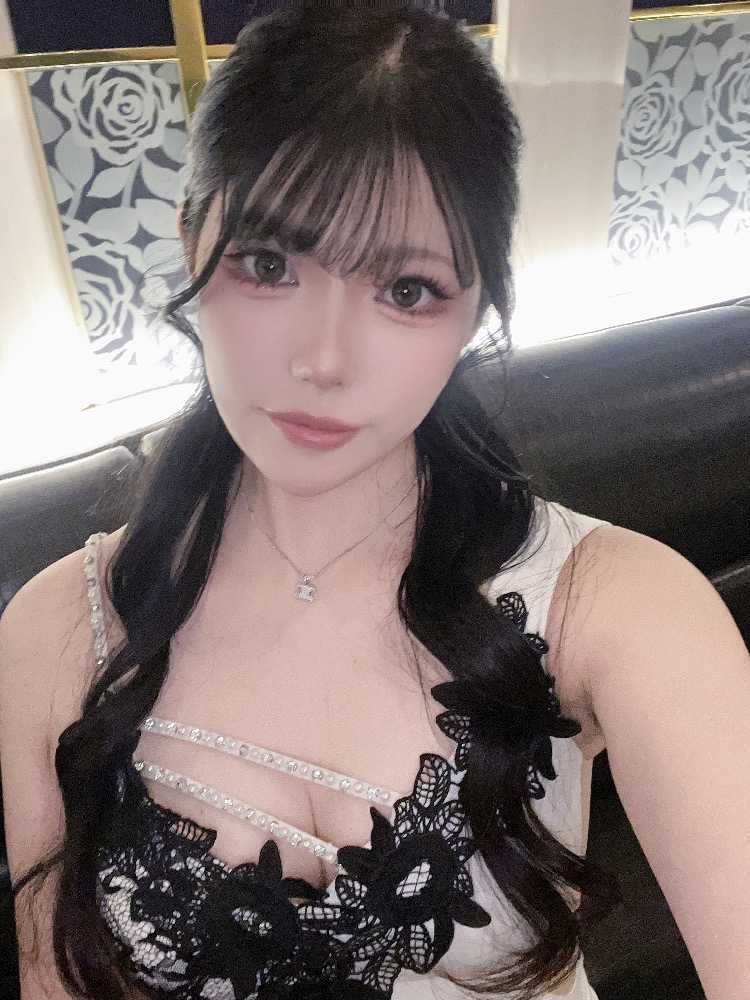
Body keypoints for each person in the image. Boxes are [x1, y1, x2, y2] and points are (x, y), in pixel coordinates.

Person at [1, 7, 749, 1000]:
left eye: (405, 288)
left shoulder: (620, 609)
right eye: (269, 264)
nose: (323, 359)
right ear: (190, 244)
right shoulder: (56, 635)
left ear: (476, 306)